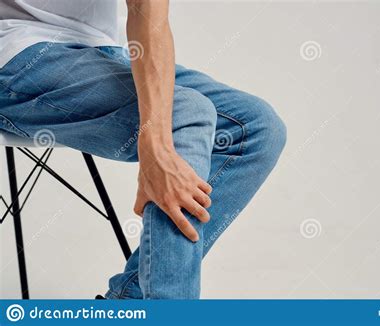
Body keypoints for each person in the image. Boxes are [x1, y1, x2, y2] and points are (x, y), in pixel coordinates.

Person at [0, 0, 286, 299]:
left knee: (256, 127)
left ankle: (130, 304)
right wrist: (156, 148)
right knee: (185, 111)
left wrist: (159, 148)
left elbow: (148, 17)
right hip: (14, 53)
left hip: (95, 49)